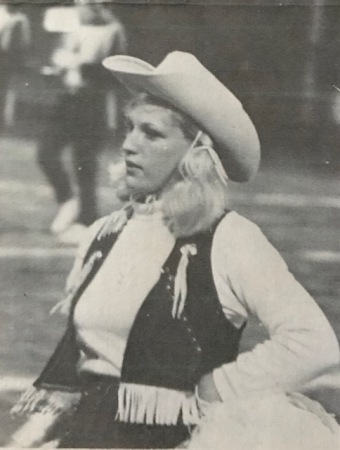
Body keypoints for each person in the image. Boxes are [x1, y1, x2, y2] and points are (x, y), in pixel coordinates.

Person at [8, 51, 340, 448]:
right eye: (129, 128)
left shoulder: (230, 238)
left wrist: (215, 390)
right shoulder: (103, 233)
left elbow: (313, 342)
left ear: (194, 153)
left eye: (151, 133)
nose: (129, 145)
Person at [37, 0, 127, 244]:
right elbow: (59, 58)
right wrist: (59, 67)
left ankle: (87, 221)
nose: (81, 9)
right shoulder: (73, 28)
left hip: (92, 105)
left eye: (86, 4)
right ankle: (67, 200)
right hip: (67, 102)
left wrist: (79, 64)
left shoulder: (113, 30)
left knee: (85, 166)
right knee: (46, 154)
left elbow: (112, 71)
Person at [0, 4, 31, 128]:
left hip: (8, 59)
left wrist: (18, 61)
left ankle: (2, 120)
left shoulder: (21, 20)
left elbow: (23, 42)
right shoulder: (4, 16)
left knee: (4, 89)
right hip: (2, 55)